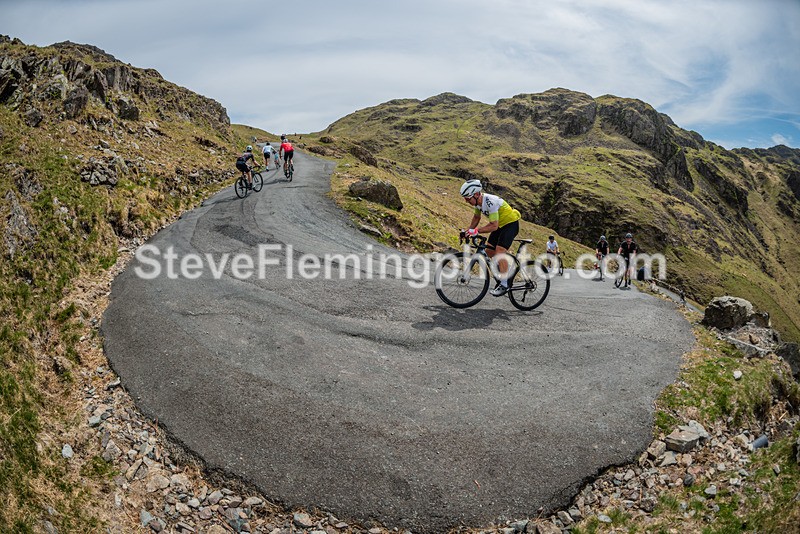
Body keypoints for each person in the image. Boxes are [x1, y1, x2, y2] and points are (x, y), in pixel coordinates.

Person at [460, 179, 521, 296]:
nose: (466, 201)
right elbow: (476, 218)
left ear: (476, 194)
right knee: (488, 252)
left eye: (468, 198)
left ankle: (504, 284)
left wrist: (477, 231)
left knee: (499, 252)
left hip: (510, 224)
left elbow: (493, 225)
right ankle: (504, 273)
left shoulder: (490, 202)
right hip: (499, 226)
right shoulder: (478, 202)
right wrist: (469, 231)